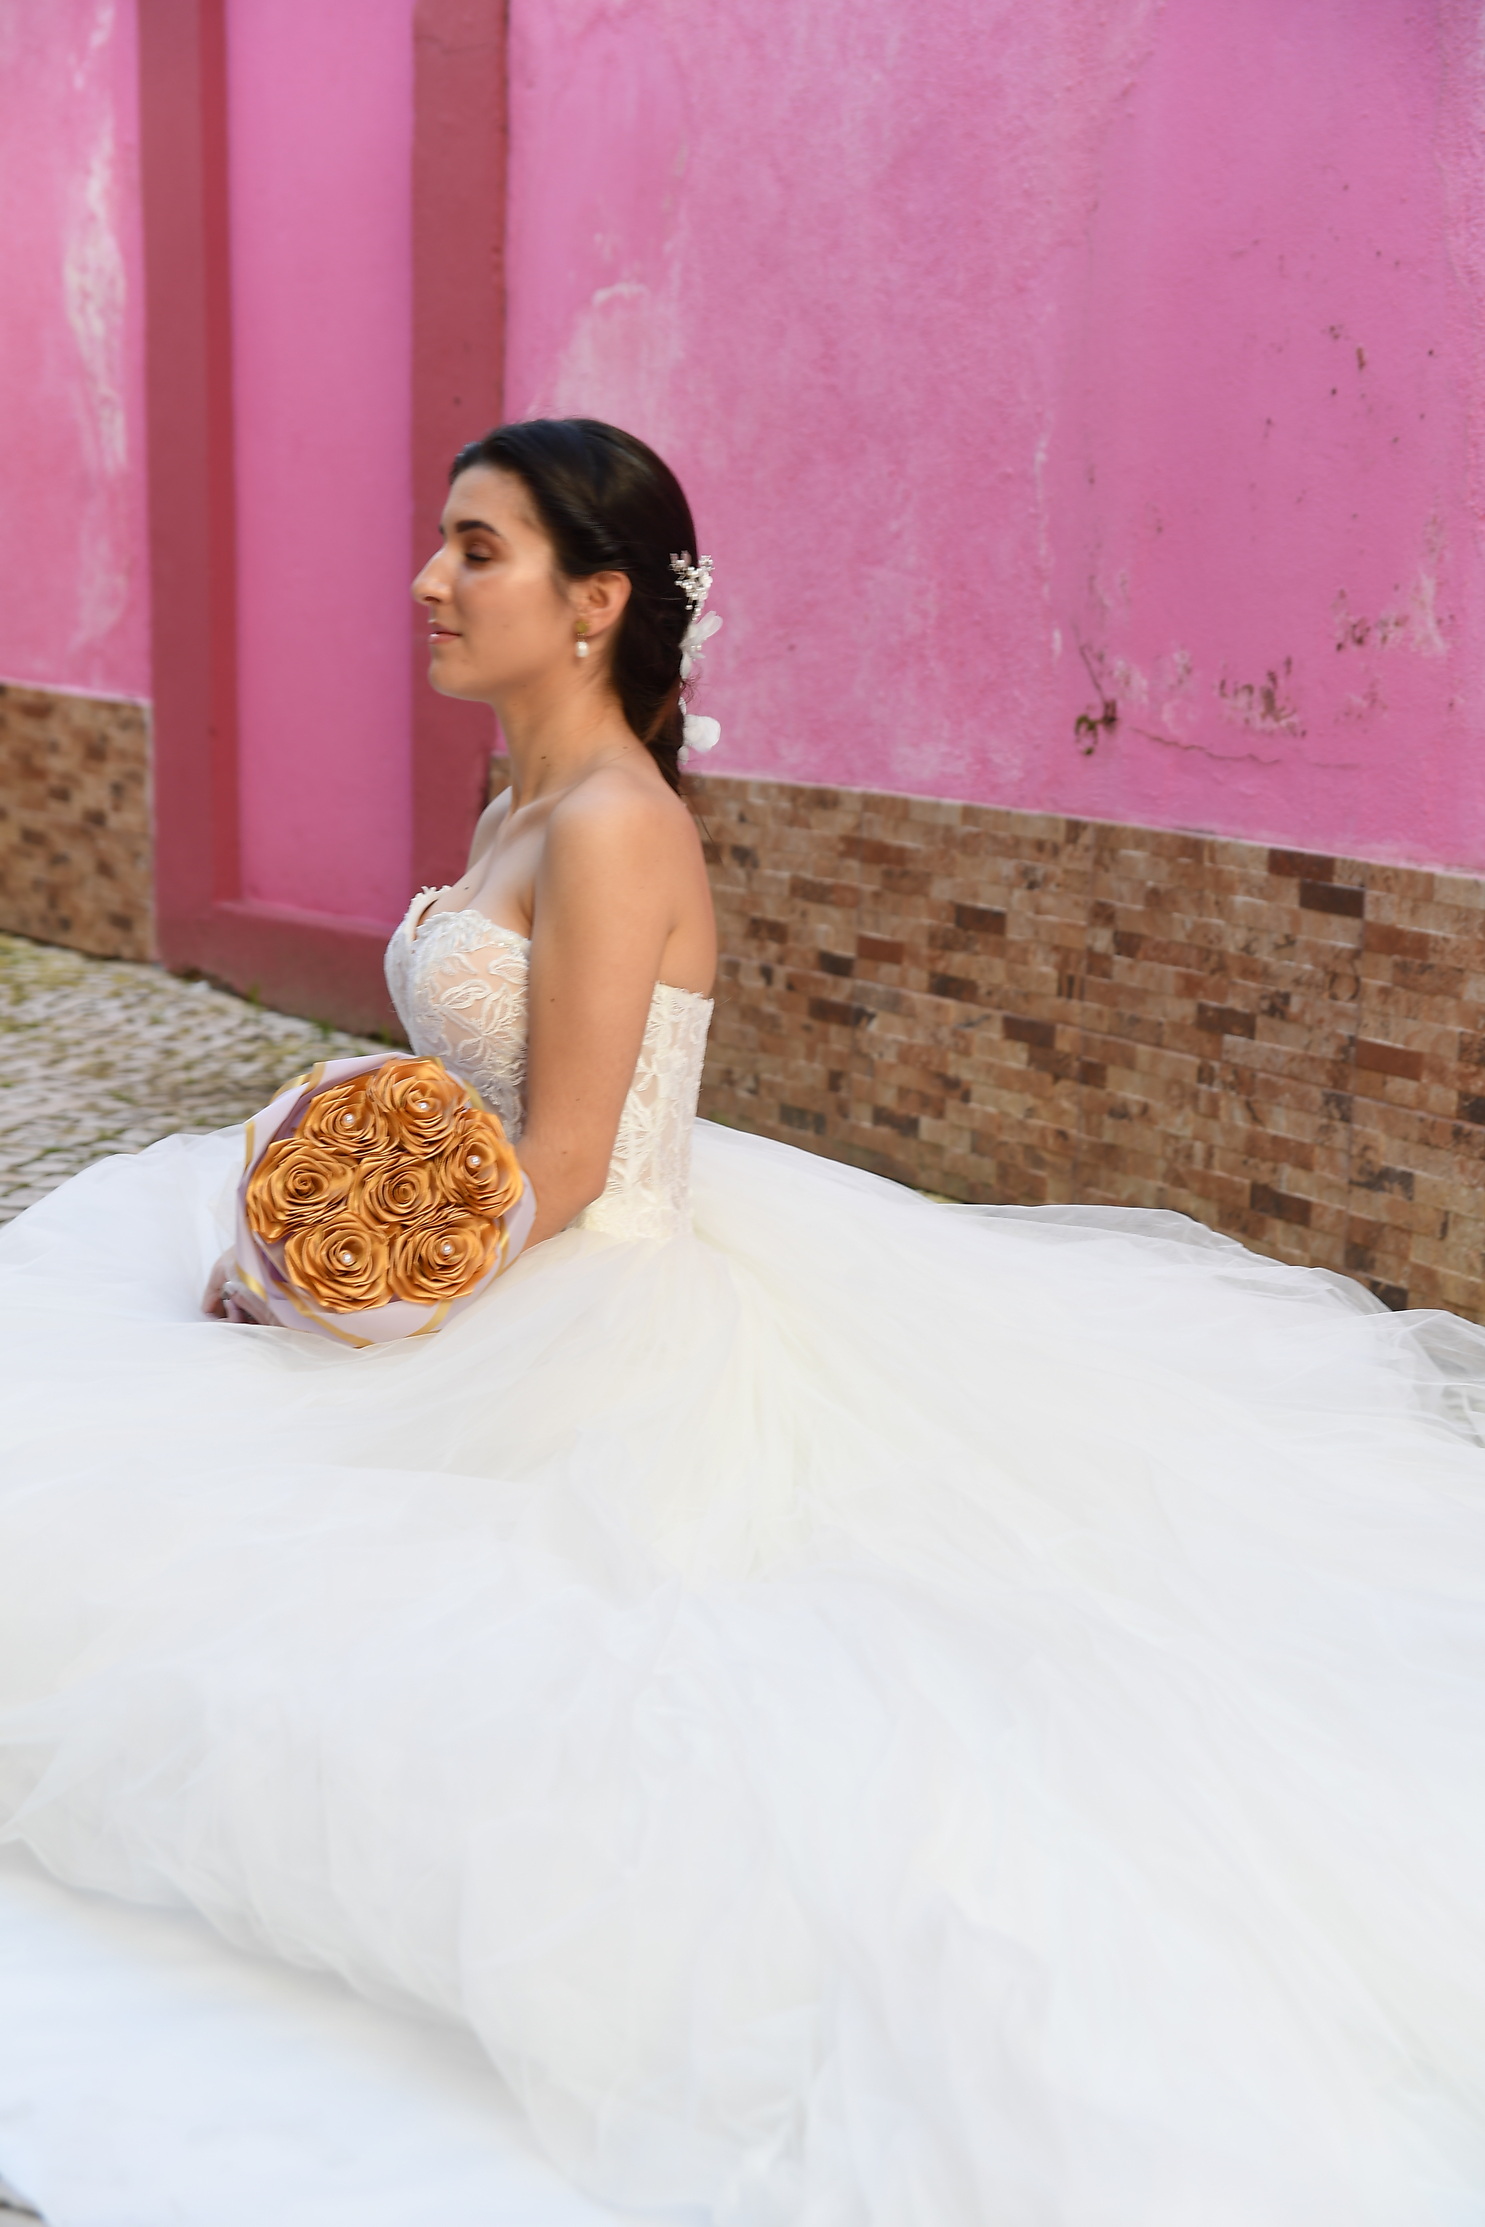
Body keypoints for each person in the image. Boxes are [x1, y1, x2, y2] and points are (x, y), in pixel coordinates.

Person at [0, 417, 1482, 2225]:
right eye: (444, 542)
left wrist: (329, 1278)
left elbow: (560, 1160)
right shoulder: (515, 802)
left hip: (591, 1278)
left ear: (595, 599)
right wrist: (321, 1201)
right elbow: (465, 1093)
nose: (429, 582)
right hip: (513, 1244)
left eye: (478, 549)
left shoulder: (614, 828)